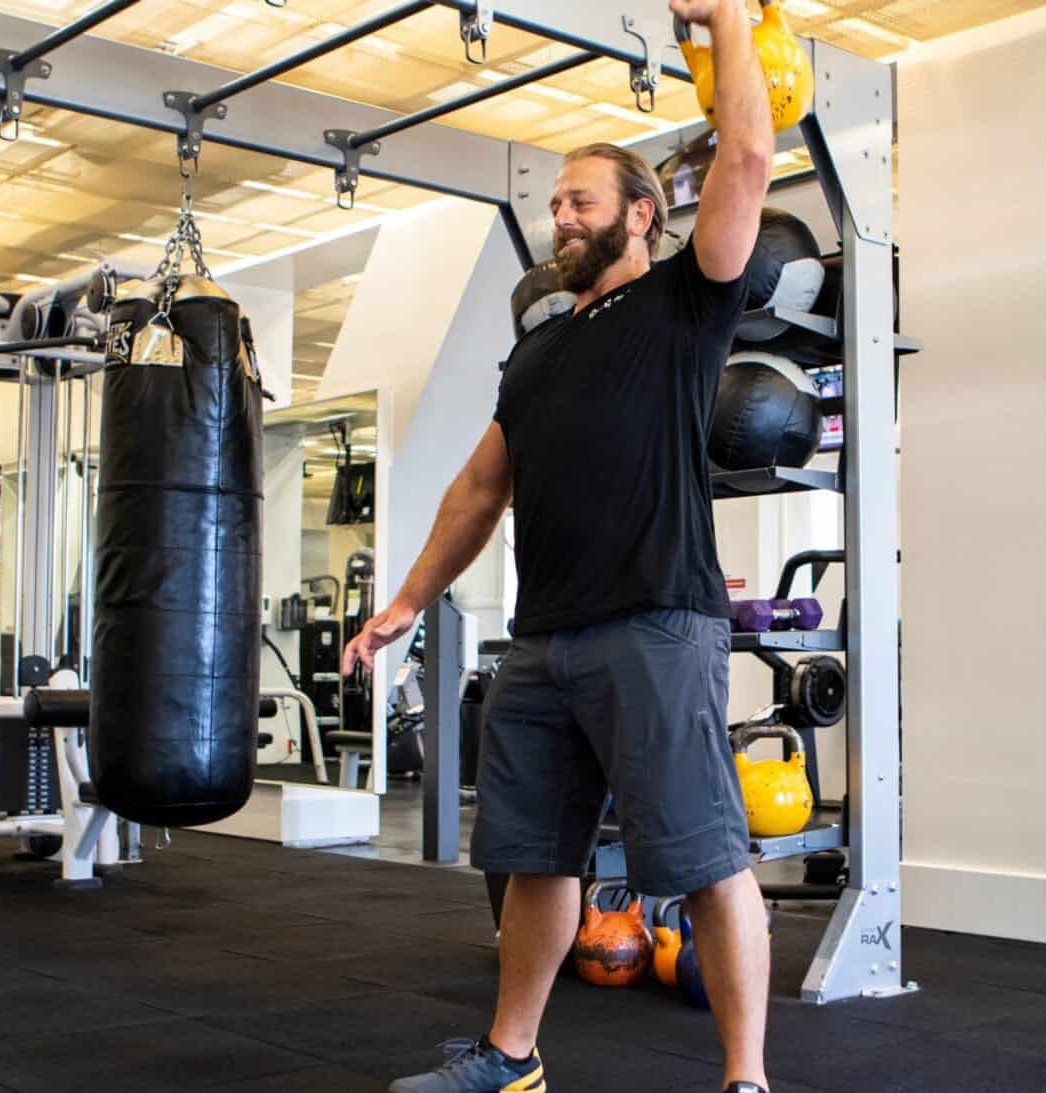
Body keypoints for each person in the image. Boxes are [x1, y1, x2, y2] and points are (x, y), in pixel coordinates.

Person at [342, 3, 776, 1090]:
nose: (558, 218)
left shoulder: (686, 301)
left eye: (579, 199)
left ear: (643, 212)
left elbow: (751, 151)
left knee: (707, 863)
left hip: (654, 623)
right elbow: (479, 487)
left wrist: (725, 19)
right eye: (551, 205)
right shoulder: (535, 351)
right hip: (542, 643)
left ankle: (744, 1077)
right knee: (531, 858)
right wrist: (406, 597)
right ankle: (512, 1058)